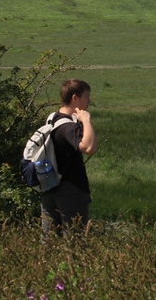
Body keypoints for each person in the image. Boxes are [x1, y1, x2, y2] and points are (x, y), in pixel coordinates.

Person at [40, 79, 96, 239]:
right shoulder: (68, 127)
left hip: (50, 187)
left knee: (48, 242)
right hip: (70, 191)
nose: (89, 101)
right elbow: (89, 148)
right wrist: (85, 120)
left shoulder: (52, 119)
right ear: (75, 98)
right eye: (87, 96)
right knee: (75, 242)